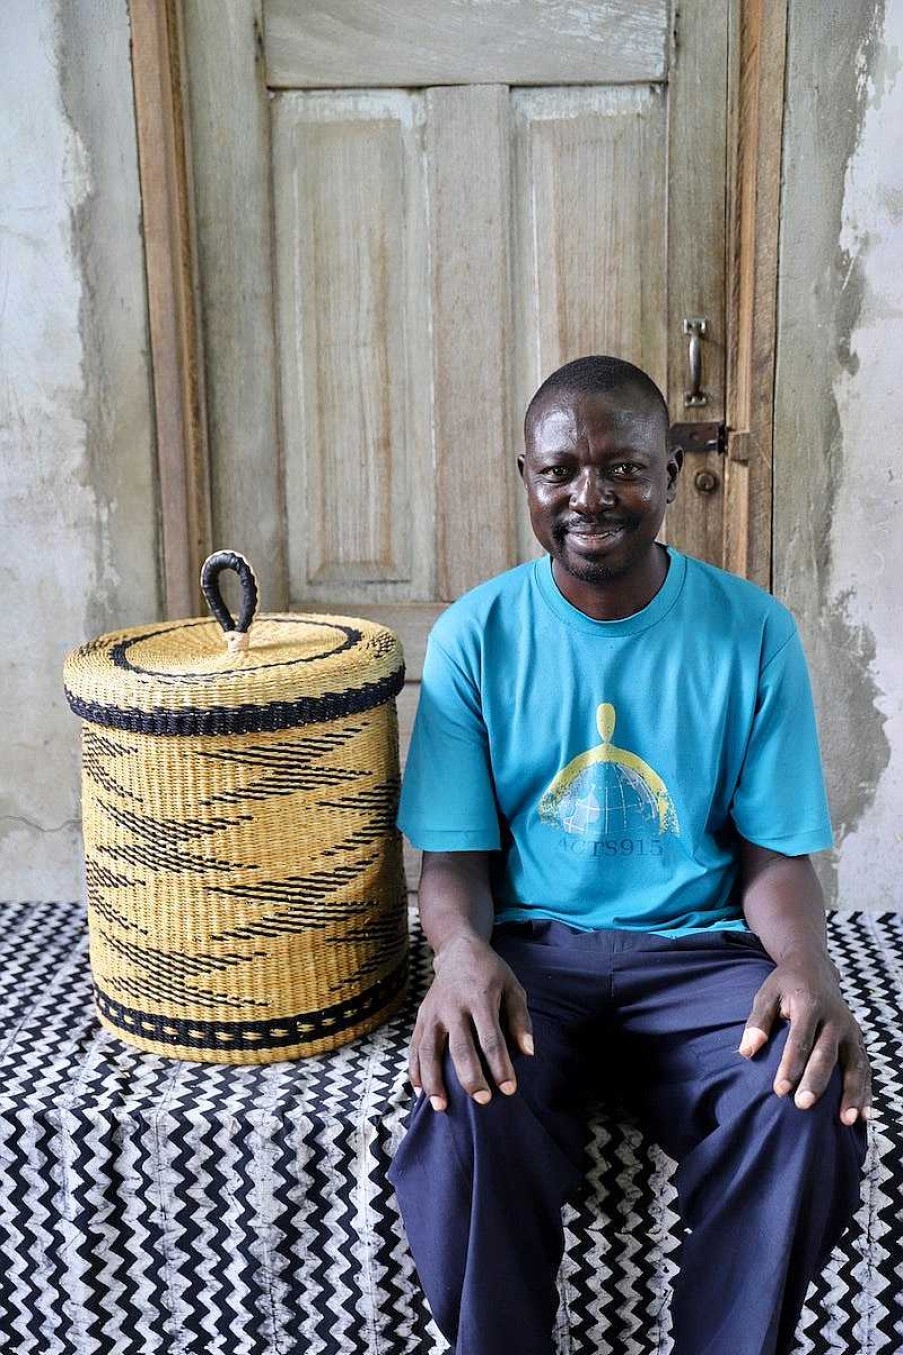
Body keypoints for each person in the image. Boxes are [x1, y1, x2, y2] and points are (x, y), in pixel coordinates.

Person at [386, 355, 871, 1355]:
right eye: (560, 471)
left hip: (699, 958)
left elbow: (774, 855)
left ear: (669, 469)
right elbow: (455, 860)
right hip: (535, 957)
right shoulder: (478, 633)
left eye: (623, 468)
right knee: (464, 1103)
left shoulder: (752, 631)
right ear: (525, 474)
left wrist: (807, 968)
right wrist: (459, 954)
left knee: (805, 1098)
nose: (590, 497)